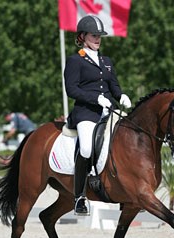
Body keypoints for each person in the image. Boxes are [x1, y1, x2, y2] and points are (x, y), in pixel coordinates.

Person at [64, 15, 132, 215]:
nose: (98, 39)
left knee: (129, 138)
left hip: (110, 110)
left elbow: (114, 87)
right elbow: (72, 90)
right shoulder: (76, 60)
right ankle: (79, 197)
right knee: (86, 148)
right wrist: (95, 100)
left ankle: (126, 189)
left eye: (99, 36)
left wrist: (122, 96)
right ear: (83, 36)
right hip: (86, 113)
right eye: (94, 35)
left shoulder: (106, 61)